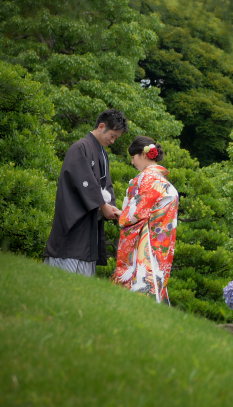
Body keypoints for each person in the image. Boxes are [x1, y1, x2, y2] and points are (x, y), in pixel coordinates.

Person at [44, 109, 127, 276]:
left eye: (116, 138)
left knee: (82, 285)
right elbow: (85, 183)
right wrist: (103, 206)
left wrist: (110, 207)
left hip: (90, 224)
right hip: (74, 224)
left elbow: (106, 186)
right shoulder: (80, 147)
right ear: (101, 126)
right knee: (61, 280)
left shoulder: (102, 154)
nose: (112, 141)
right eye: (112, 136)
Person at [112, 136, 179, 304]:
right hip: (162, 240)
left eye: (133, 157)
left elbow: (135, 213)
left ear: (143, 154)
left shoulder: (146, 178)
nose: (133, 162)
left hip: (146, 237)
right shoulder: (162, 181)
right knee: (156, 275)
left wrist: (121, 214)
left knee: (141, 277)